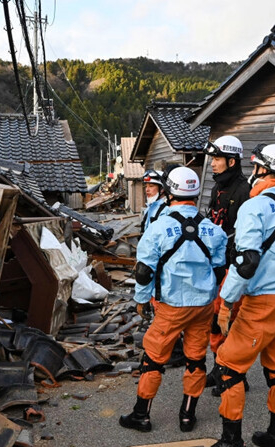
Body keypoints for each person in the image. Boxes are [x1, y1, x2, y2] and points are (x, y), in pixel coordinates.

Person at [210, 144, 275, 447]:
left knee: (228, 367)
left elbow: (247, 261)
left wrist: (226, 302)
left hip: (264, 301)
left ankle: (231, 440)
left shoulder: (253, 207)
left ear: (262, 169)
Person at [119, 167, 227, 434]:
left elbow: (144, 271)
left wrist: (141, 300)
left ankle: (141, 415)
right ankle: (187, 416)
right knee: (196, 360)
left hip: (170, 305)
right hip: (202, 306)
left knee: (154, 359)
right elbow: (219, 269)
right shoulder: (213, 230)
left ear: (168, 192)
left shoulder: (158, 228)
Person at [202, 135, 251, 390]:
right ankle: (218, 367)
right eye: (213, 159)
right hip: (216, 266)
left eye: (217, 159)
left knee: (230, 322)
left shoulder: (245, 190)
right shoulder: (216, 188)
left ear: (232, 161)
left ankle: (235, 374)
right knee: (214, 322)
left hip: (234, 267)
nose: (212, 164)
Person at [140, 169, 168, 234]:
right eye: (146, 186)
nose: (147, 190)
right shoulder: (150, 207)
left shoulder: (166, 210)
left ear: (162, 189)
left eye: (151, 186)